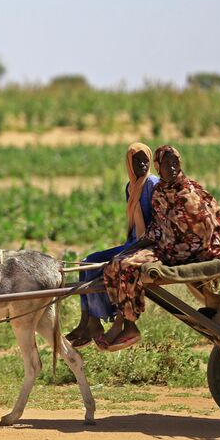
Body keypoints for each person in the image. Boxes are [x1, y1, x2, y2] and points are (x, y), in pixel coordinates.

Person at [102, 145, 220, 350]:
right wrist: (134, 248)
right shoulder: (160, 192)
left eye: (175, 162)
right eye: (167, 164)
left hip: (191, 252)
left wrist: (182, 246)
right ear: (159, 167)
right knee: (117, 264)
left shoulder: (189, 190)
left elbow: (207, 225)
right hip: (167, 251)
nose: (172, 168)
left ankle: (128, 323)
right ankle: (126, 324)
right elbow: (158, 229)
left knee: (130, 267)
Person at [65, 142, 159, 348]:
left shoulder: (152, 183)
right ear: (129, 163)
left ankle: (115, 322)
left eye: (145, 160)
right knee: (87, 262)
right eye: (137, 160)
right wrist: (130, 243)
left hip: (148, 244)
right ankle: (89, 321)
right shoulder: (131, 186)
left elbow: (158, 221)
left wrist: (138, 245)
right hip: (134, 241)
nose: (142, 164)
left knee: (110, 266)